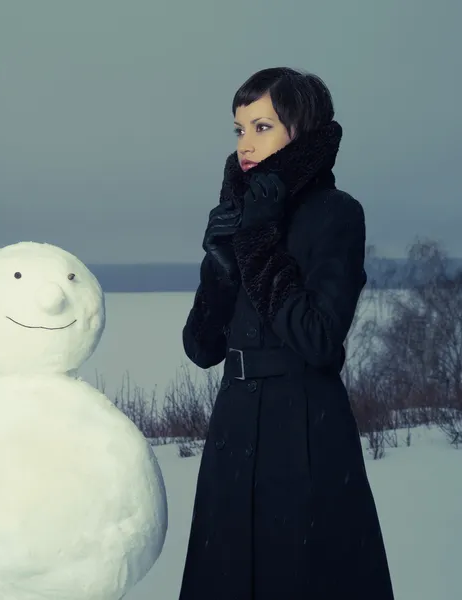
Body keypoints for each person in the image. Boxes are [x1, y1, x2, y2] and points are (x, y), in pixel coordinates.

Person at [179, 67, 395, 600]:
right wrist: (220, 264)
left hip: (303, 431)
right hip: (233, 433)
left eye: (262, 126)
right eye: (239, 129)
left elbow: (320, 339)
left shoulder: (337, 215)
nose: (245, 144)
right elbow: (201, 348)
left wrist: (257, 243)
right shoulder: (238, 214)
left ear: (300, 128)